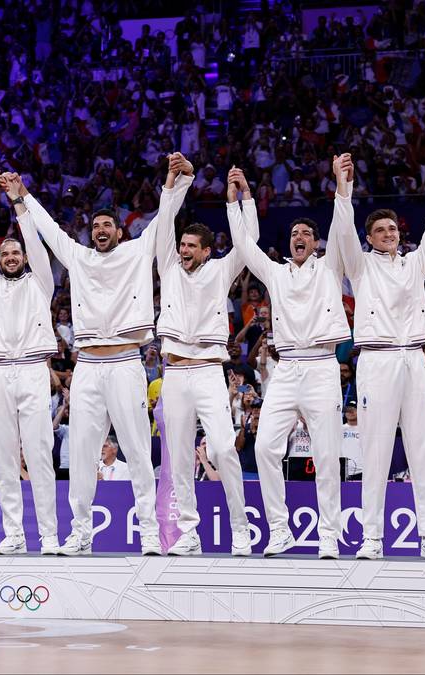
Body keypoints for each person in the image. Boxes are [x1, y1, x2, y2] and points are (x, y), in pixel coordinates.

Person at [23, 155, 192, 557]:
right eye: (95, 226)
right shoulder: (79, 258)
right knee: (82, 452)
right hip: (87, 367)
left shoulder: (136, 251)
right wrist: (23, 196)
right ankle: (80, 533)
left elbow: (164, 216)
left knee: (135, 448)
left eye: (106, 226)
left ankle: (150, 533)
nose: (100, 231)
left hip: (125, 363)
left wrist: (173, 180)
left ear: (119, 231)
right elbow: (49, 231)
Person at [329, 147, 425, 561]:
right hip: (377, 360)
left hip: (414, 360)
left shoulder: (415, 264)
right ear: (370, 238)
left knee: (424, 447)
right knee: (376, 448)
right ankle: (371, 537)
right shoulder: (361, 266)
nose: (389, 234)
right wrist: (343, 189)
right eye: (381, 230)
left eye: (392, 229)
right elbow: (344, 234)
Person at [229, 158, 352, 560]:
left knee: (327, 452)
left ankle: (330, 535)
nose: (300, 236)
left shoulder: (330, 267)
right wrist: (241, 200)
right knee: (265, 447)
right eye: (295, 233)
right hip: (285, 369)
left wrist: (340, 183)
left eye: (306, 233)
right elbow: (245, 246)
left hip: (321, 366)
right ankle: (279, 530)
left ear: (315, 243)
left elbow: (340, 226)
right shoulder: (276, 272)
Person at [140, 155, 251, 557]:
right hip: (174, 375)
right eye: (182, 244)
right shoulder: (168, 268)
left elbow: (247, 243)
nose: (183, 250)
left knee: (222, 449)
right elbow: (163, 226)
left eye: (191, 246)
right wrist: (171, 181)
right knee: (180, 459)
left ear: (206, 251)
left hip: (207, 373)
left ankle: (241, 530)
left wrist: (237, 200)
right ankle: (190, 532)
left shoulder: (221, 271)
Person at [0, 173, 61, 556]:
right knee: (3, 456)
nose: (10, 258)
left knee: (39, 453)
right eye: (4, 254)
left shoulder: (40, 281)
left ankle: (50, 536)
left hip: (32, 369)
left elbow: (38, 243)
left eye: (16, 253)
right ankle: (14, 534)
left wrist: (18, 200)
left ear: (24, 257)